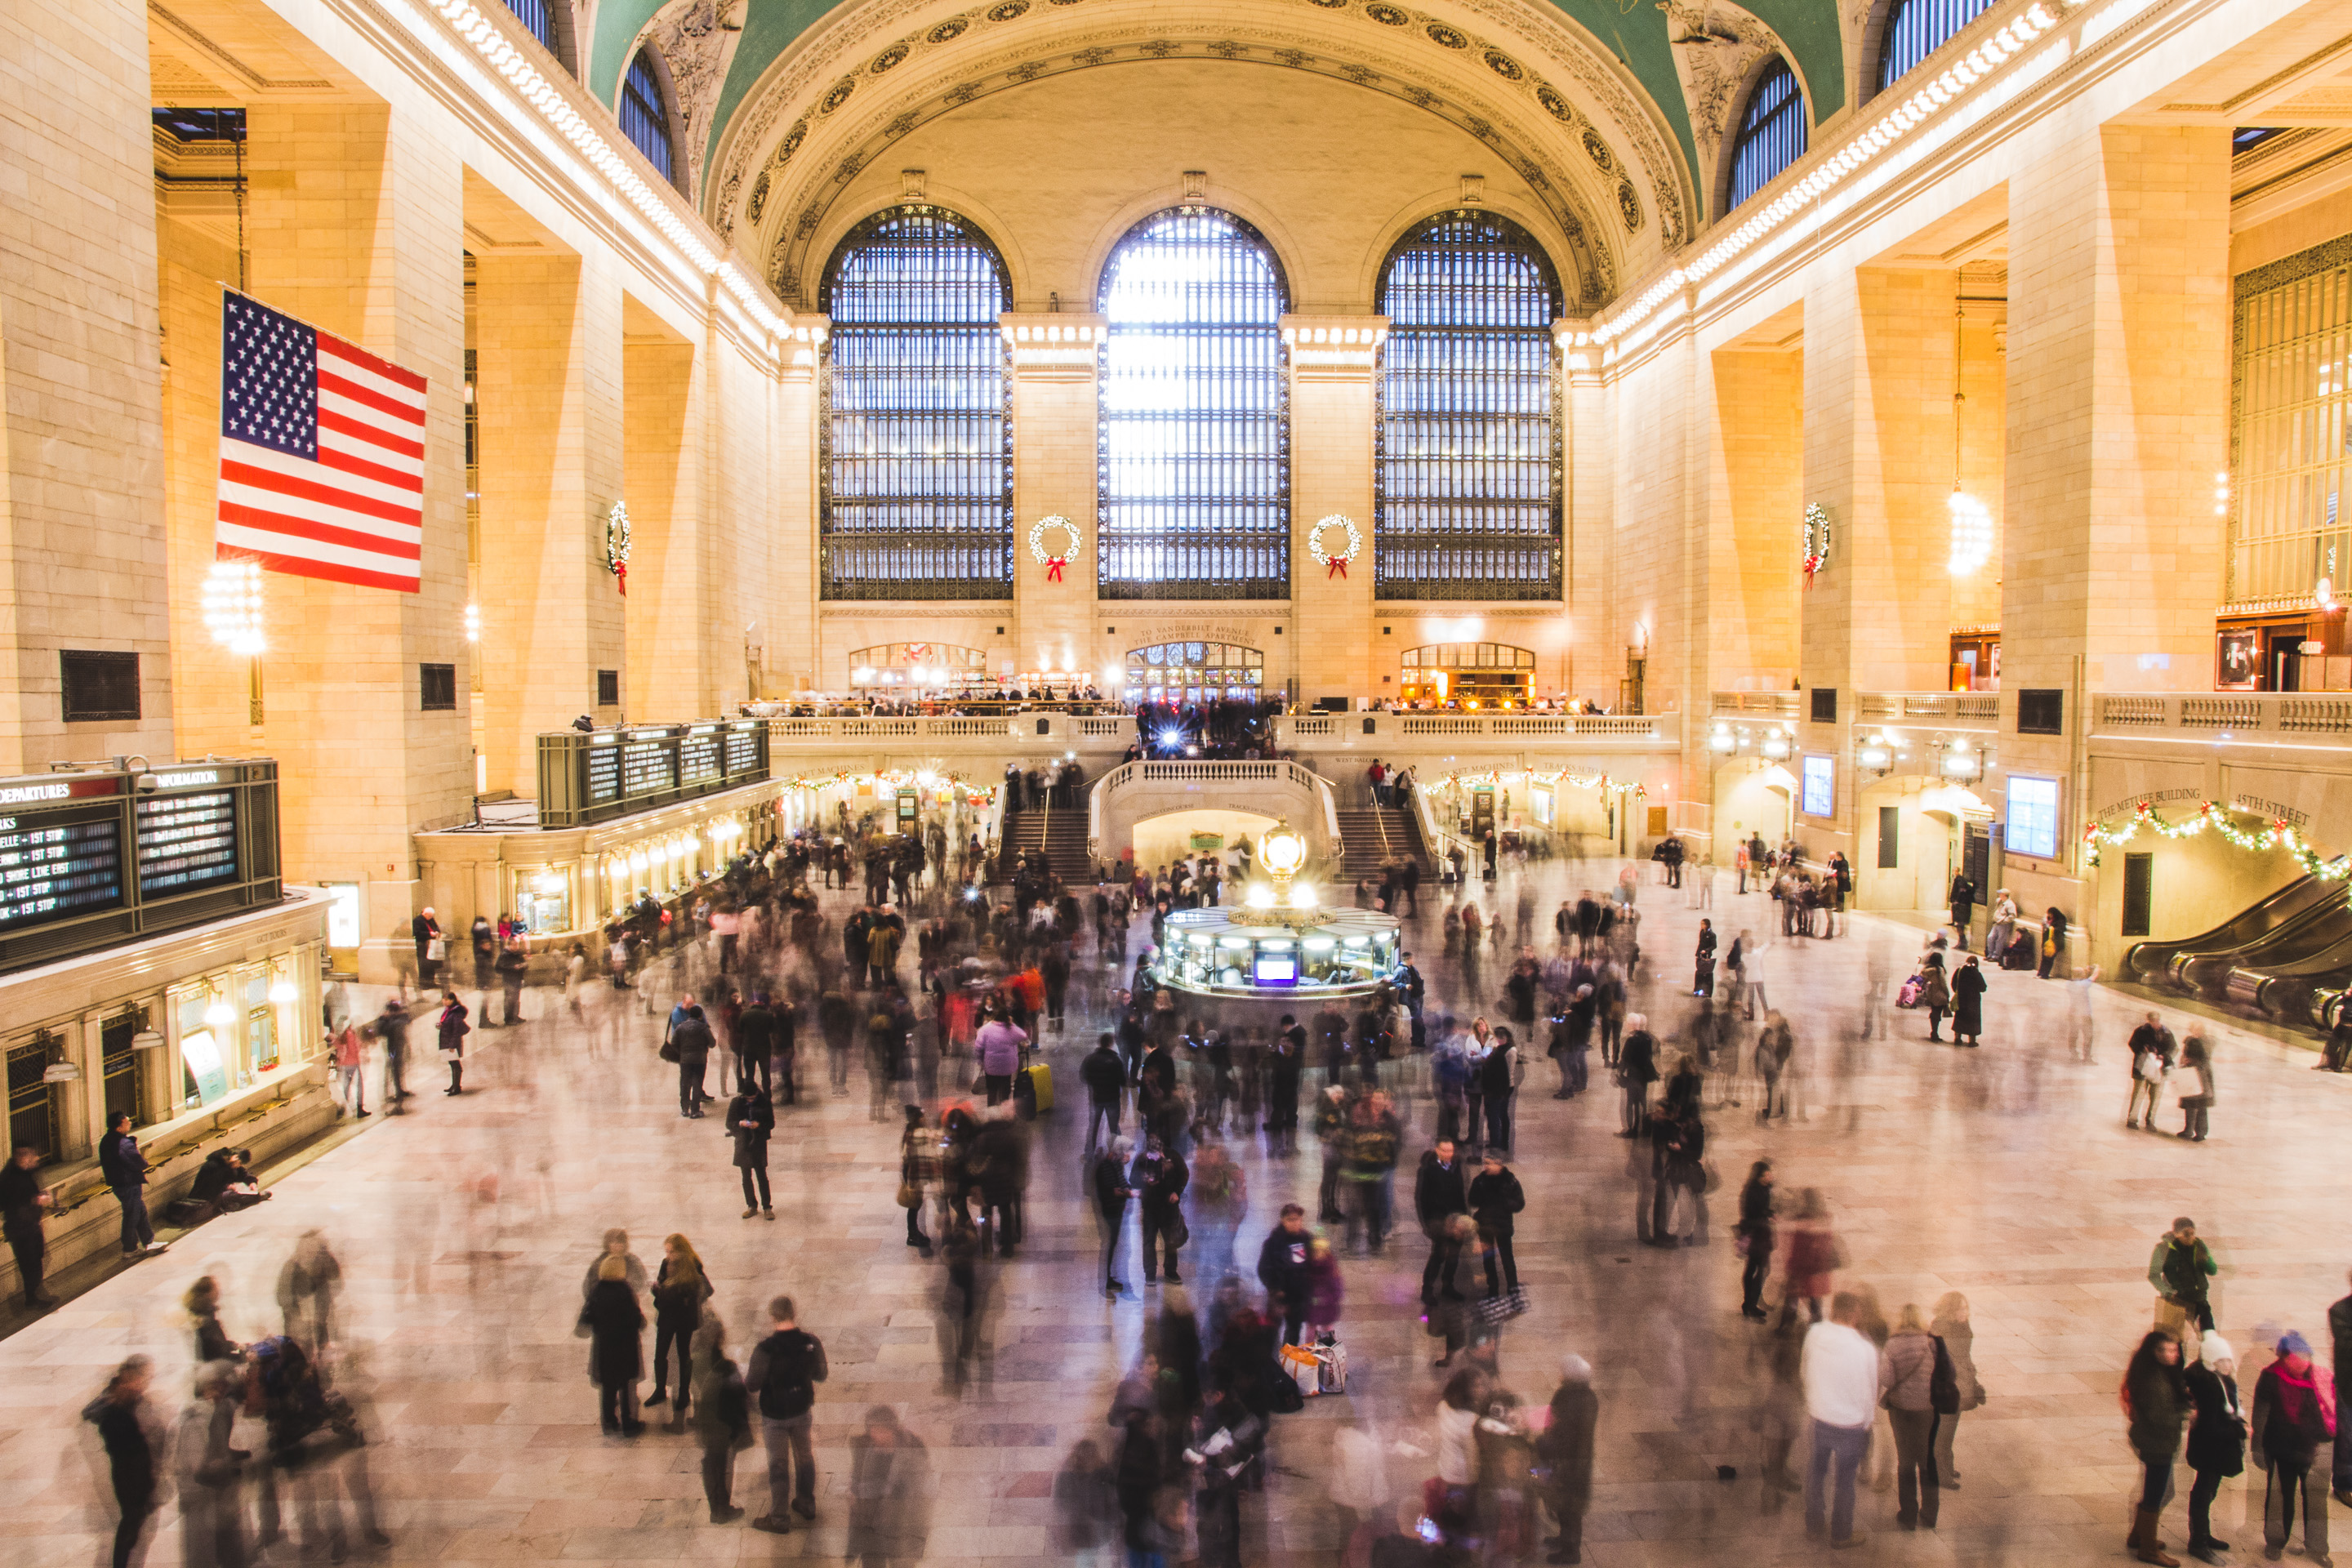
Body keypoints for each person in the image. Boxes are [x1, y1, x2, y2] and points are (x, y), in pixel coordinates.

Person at [1801, 1291, 1878, 1549]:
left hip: (1820, 1417)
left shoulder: (1814, 1334)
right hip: (1851, 1425)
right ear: (1855, 1314)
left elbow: (1804, 1371)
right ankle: (1841, 1533)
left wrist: (1814, 1402)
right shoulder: (1864, 1349)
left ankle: (1813, 1525)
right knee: (1845, 1482)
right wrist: (1867, 1424)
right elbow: (1870, 1392)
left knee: (1816, 1473)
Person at [2251, 1330, 2334, 1565]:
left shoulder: (2318, 1377)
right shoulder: (2270, 1377)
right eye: (2295, 1356)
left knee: (2316, 1501)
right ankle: (2275, 1543)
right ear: (2283, 1357)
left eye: (2304, 1355)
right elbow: (2260, 1416)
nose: (2301, 1361)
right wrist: (2258, 1448)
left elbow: (2332, 1409)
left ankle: (2318, 1548)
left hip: (2314, 1448)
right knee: (2279, 1497)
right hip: (2281, 1447)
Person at [746, 1295, 828, 1532]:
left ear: (772, 1317)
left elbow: (752, 1384)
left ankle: (779, 1518)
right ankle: (806, 1503)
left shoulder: (765, 1349)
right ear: (794, 1313)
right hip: (802, 1409)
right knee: (805, 1457)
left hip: (775, 1415)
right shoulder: (810, 1342)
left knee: (779, 1464)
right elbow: (821, 1375)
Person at [84, 1356, 161, 1568]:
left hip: (137, 1470)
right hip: (128, 1472)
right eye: (143, 1377)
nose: (145, 1383)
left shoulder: (129, 1402)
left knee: (135, 1524)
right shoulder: (111, 1407)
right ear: (128, 1378)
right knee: (131, 1522)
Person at [2123, 1330, 2190, 1566]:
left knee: (2154, 1490)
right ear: (2152, 1351)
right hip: (2158, 1444)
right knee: (2156, 1494)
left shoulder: (2153, 1372)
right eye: (2163, 1350)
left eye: (2173, 1349)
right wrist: (2187, 1414)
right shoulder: (2155, 1382)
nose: (2170, 1354)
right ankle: (2148, 1549)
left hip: (2152, 1441)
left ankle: (2139, 1535)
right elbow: (2161, 1418)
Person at [2182, 1334, 2245, 1566]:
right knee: (2203, 1493)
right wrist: (2240, 1432)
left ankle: (2203, 1534)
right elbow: (2211, 1427)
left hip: (2213, 1451)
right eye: (2222, 1361)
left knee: (2208, 1492)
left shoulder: (2219, 1381)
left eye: (2229, 1360)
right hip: (2210, 1451)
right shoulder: (2210, 1386)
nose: (2228, 1365)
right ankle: (2198, 1542)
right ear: (2211, 1362)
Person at [1878, 1303, 1941, 1531]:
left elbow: (1886, 1378)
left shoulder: (1892, 1344)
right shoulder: (1932, 1343)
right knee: (1927, 1460)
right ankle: (1930, 1514)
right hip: (1927, 1409)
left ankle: (1908, 1515)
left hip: (1902, 1410)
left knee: (1905, 1461)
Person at [846, 1406, 933, 1568]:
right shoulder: (863, 1451)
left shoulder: (911, 1454)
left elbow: (921, 1500)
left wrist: (917, 1539)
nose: (876, 1435)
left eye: (882, 1430)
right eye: (873, 1430)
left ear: (893, 1430)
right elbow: (857, 1489)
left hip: (898, 1530)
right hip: (870, 1530)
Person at [1534, 1354, 1597, 1565]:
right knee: (1563, 1507)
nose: (1560, 1374)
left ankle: (1571, 1552)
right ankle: (1563, 1539)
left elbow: (1576, 1439)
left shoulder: (1581, 1400)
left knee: (1571, 1512)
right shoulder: (1570, 1394)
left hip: (1570, 1466)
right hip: (1563, 1462)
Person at [647, 1235, 713, 1430]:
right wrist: (661, 1291)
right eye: (666, 1251)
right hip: (667, 1317)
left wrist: (686, 1299)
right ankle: (660, 1390)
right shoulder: (665, 1264)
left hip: (684, 1318)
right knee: (660, 1355)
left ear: (681, 1250)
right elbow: (661, 1283)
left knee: (684, 1355)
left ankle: (684, 1393)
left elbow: (706, 1289)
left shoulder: (692, 1266)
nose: (668, 1256)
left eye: (671, 1251)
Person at [693, 1330, 752, 1524]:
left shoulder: (693, 1363)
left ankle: (715, 1509)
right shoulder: (726, 1367)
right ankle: (723, 1509)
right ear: (719, 1340)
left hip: (706, 1422)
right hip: (725, 1423)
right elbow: (741, 1392)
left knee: (710, 1463)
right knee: (724, 1466)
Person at [585, 1254, 646, 1437]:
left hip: (604, 1348)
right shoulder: (625, 1292)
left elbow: (587, 1317)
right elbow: (636, 1320)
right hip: (625, 1347)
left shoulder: (597, 1291)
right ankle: (628, 1424)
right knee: (626, 1387)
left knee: (608, 1388)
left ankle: (609, 1422)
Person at [1929, 1292, 1984, 1486]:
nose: (1965, 1311)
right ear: (1951, 1310)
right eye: (1961, 1308)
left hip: (1960, 1383)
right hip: (1947, 1387)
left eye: (1966, 1307)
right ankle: (1940, 1474)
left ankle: (1947, 1467)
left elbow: (1964, 1357)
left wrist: (1972, 1378)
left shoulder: (1961, 1325)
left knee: (1950, 1429)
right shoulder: (1942, 1330)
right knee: (1944, 1431)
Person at [98, 1111, 167, 1259]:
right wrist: (144, 1163)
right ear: (119, 1126)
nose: (130, 1124)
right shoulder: (123, 1144)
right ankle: (129, 1249)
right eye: (127, 1121)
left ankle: (149, 1241)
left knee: (140, 1211)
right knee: (132, 1215)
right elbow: (138, 1162)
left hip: (118, 1183)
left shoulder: (106, 1140)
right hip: (128, 1183)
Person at [2149, 1217, 2216, 1363]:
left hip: (2199, 1299)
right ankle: (2177, 1373)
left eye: (2192, 1233)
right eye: (2185, 1233)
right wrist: (2168, 1290)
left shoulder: (2197, 1246)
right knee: (2176, 1341)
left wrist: (2205, 1259)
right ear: (2175, 1233)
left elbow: (2211, 1269)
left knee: (2208, 1337)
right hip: (2175, 1301)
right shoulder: (2163, 1249)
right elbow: (2153, 1275)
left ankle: (2203, 1370)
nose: (2189, 1237)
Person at [1415, 1138, 1469, 1304]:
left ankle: (1448, 1285)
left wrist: (1464, 1216)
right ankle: (1427, 1289)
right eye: (1444, 1151)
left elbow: (1461, 1193)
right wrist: (1426, 1223)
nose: (1448, 1154)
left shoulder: (1456, 1167)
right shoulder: (1428, 1170)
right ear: (1437, 1150)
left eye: (1450, 1151)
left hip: (1455, 1215)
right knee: (1439, 1253)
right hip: (1436, 1217)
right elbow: (1421, 1198)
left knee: (1454, 1252)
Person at [1130, 1133, 1189, 1285]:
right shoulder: (1142, 1159)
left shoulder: (1173, 1157)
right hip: (1150, 1207)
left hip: (1168, 1207)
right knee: (1149, 1240)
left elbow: (1184, 1173)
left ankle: (1171, 1271)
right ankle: (1150, 1273)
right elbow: (1133, 1180)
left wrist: (1177, 1191)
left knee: (1171, 1240)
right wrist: (1144, 1182)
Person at [2, 1142, 56, 1307]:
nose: (27, 1158)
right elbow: (6, 1202)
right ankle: (31, 1298)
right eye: (24, 1154)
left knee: (38, 1256)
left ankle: (34, 1293)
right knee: (28, 1262)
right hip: (19, 1227)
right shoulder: (8, 1177)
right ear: (16, 1155)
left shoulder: (27, 1172)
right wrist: (33, 1200)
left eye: (29, 1154)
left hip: (32, 1224)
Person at [1466, 1149, 1525, 1297]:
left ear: (1500, 1164)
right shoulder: (1479, 1181)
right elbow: (1472, 1201)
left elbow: (1519, 1203)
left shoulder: (1510, 1181)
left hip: (1502, 1226)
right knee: (1488, 1260)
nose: (1488, 1166)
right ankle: (1493, 1289)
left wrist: (1505, 1202)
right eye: (1486, 1163)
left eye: (1492, 1163)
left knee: (1507, 1259)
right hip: (1485, 1226)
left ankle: (1513, 1290)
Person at [1256, 1203, 1312, 1345]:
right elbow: (1264, 1268)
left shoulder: (1307, 1239)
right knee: (1272, 1329)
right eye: (1290, 1219)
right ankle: (1271, 1357)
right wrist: (1275, 1288)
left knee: (1294, 1331)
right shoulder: (1273, 1242)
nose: (1295, 1223)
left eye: (1297, 1219)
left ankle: (1289, 1359)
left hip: (1298, 1296)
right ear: (1283, 1220)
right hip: (1280, 1296)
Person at [1095, 1136, 1136, 1297]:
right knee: (1110, 1244)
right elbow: (1113, 1190)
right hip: (1111, 1210)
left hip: (1116, 1209)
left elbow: (1122, 1182)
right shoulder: (1106, 1166)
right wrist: (1128, 1193)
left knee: (1113, 1244)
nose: (1127, 1156)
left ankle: (1110, 1278)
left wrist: (1128, 1189)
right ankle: (1107, 1280)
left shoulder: (1116, 1164)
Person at [1735, 1160, 1775, 1321]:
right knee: (1762, 1269)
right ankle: (1751, 1303)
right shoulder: (1754, 1192)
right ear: (1759, 1176)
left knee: (1753, 1268)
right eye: (1767, 1174)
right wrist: (1766, 1219)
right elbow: (1750, 1215)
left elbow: (1762, 1210)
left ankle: (1749, 1304)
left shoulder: (1761, 1189)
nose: (1770, 1176)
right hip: (1757, 1236)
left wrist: (1769, 1214)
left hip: (1759, 1234)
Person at [728, 1085, 774, 1218]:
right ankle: (751, 1205)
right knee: (746, 1176)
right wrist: (740, 1124)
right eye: (747, 1099)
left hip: (758, 1142)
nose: (750, 1101)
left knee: (761, 1175)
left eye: (752, 1098)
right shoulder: (736, 1103)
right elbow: (729, 1122)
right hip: (743, 1142)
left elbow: (771, 1123)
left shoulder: (764, 1102)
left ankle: (767, 1206)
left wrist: (759, 1125)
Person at [2127, 1013, 2176, 1129]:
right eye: (2152, 1020)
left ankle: (2150, 1121)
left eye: (2156, 1020)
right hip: (2142, 1067)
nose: (2155, 1022)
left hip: (2159, 1067)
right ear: (2148, 1020)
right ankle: (2132, 1119)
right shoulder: (2141, 1031)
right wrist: (2142, 1050)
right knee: (2138, 1093)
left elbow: (2174, 1048)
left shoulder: (2167, 1033)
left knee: (2155, 1096)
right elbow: (2132, 1044)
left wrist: (2164, 1056)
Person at [1081, 1031, 1126, 1154]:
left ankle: (1089, 1153)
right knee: (1113, 1127)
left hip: (1096, 1098)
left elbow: (1083, 1077)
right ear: (1111, 1044)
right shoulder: (1116, 1060)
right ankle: (1117, 1153)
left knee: (1093, 1127)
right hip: (1112, 1098)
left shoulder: (1090, 1059)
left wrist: (1095, 1083)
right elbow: (1123, 1081)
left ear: (1100, 1043)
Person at [976, 1009, 1027, 1106]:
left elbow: (979, 1046)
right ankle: (1004, 1114)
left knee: (992, 1091)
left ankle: (991, 1113)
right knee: (1005, 1091)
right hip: (1007, 1067)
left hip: (990, 1066)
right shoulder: (1010, 1028)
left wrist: (980, 1060)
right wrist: (1012, 1023)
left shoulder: (986, 1029)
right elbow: (1023, 1035)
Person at [672, 1004, 715, 1119]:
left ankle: (685, 1109)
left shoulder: (681, 1027)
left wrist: (682, 1052)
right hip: (700, 1060)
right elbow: (712, 1043)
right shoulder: (703, 1028)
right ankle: (695, 1111)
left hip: (685, 1060)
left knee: (685, 1084)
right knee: (697, 1084)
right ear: (700, 1016)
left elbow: (674, 1043)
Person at [2332, 1270, 2352, 1504]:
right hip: (2349, 1386)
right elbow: (2346, 1346)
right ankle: (2344, 1482)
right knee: (2347, 1436)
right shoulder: (2340, 1311)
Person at [2174, 1031, 2215, 1142]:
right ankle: (2192, 1131)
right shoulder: (2195, 1048)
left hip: (2198, 1080)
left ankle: (2197, 1132)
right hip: (2194, 1080)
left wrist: (2189, 1063)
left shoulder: (2200, 1051)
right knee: (2194, 1105)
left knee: (2197, 1106)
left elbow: (2202, 1063)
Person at [436, 991, 470, 1094]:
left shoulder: (455, 1013)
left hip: (451, 1042)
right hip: (447, 1040)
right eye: (443, 999)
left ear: (452, 1000)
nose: (444, 1001)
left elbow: (456, 1031)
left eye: (446, 999)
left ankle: (457, 1087)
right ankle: (454, 1085)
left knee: (455, 1064)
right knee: (452, 1063)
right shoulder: (448, 1011)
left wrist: (452, 1045)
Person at [1949, 956, 1986, 1048]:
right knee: (1973, 1021)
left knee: (1960, 1018)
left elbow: (1953, 983)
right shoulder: (1976, 973)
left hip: (1961, 999)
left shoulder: (1959, 971)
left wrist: (1958, 992)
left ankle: (1957, 1038)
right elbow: (1983, 988)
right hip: (1973, 1001)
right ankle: (1972, 1041)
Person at [1948, 871, 1976, 950]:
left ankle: (1963, 943)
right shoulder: (1960, 891)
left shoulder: (1968, 891)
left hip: (1964, 911)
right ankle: (1962, 942)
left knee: (1961, 926)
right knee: (1959, 927)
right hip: (1959, 910)